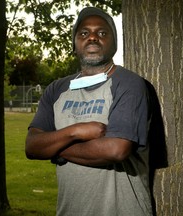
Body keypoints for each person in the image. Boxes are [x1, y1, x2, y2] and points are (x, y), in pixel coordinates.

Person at [25, 6, 153, 216]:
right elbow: (32, 146)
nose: (92, 37)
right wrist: (74, 131)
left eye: (102, 33)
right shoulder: (57, 89)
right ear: (74, 44)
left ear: (114, 43)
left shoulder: (129, 83)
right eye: (84, 33)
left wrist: (55, 148)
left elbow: (116, 149)